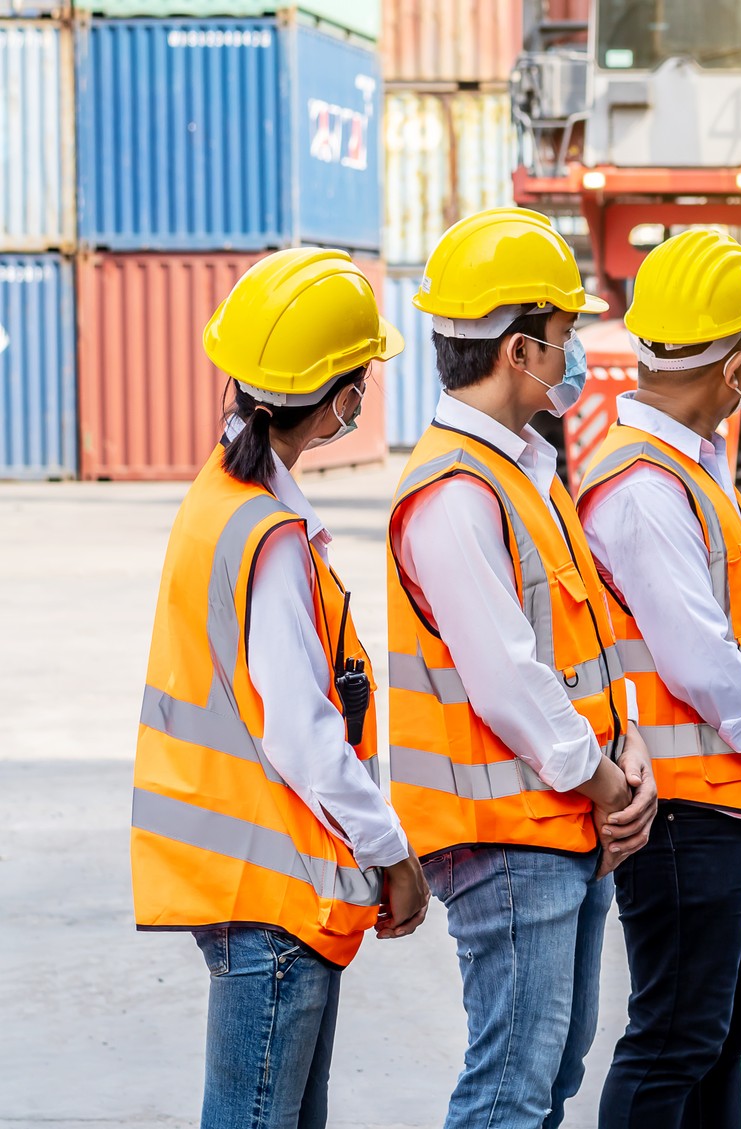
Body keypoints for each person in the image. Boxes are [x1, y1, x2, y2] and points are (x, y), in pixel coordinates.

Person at [131, 247, 430, 1129]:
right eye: (363, 378)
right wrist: (392, 851)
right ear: (343, 400)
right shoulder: (268, 534)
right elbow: (304, 732)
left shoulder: (221, 498)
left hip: (246, 879)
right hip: (274, 890)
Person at [386, 207, 656, 1129]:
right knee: (508, 1090)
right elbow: (508, 681)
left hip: (561, 820)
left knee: (546, 1080)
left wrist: (620, 768)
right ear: (519, 351)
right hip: (510, 835)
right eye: (566, 334)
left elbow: (578, 651)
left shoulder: (525, 472)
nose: (576, 353)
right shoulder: (457, 493)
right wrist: (607, 777)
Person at [575, 230, 741, 1129]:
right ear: (733, 368)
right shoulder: (643, 487)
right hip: (686, 814)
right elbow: (696, 660)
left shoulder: (689, 464)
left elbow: (732, 635)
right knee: (676, 1037)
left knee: (723, 1031)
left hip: (735, 800)